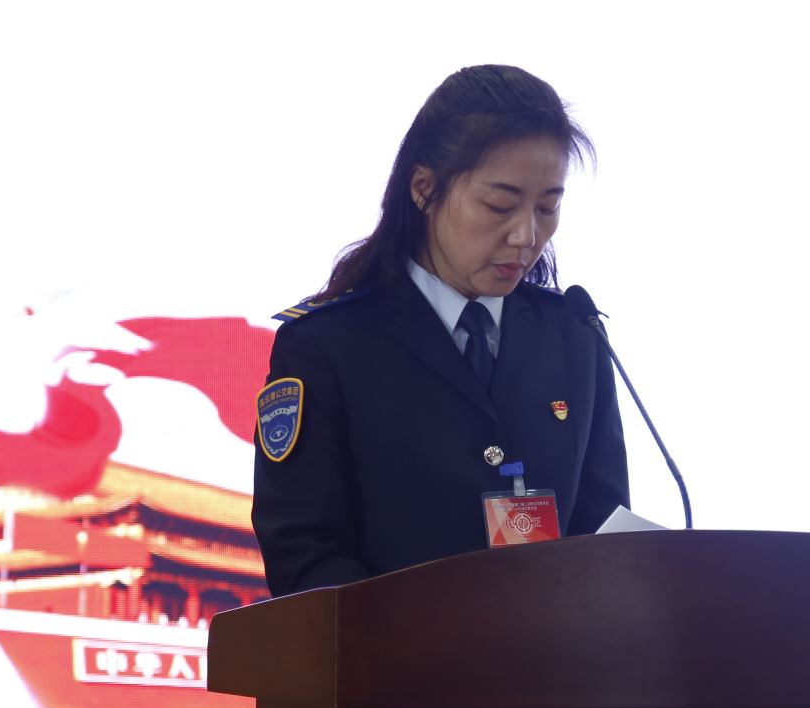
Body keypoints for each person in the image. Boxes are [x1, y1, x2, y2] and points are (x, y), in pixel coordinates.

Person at [252, 65, 630, 597]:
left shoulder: (574, 336)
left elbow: (607, 531)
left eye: (548, 207)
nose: (526, 235)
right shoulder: (326, 346)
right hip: (392, 650)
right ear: (424, 190)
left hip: (553, 651)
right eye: (500, 206)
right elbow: (303, 555)